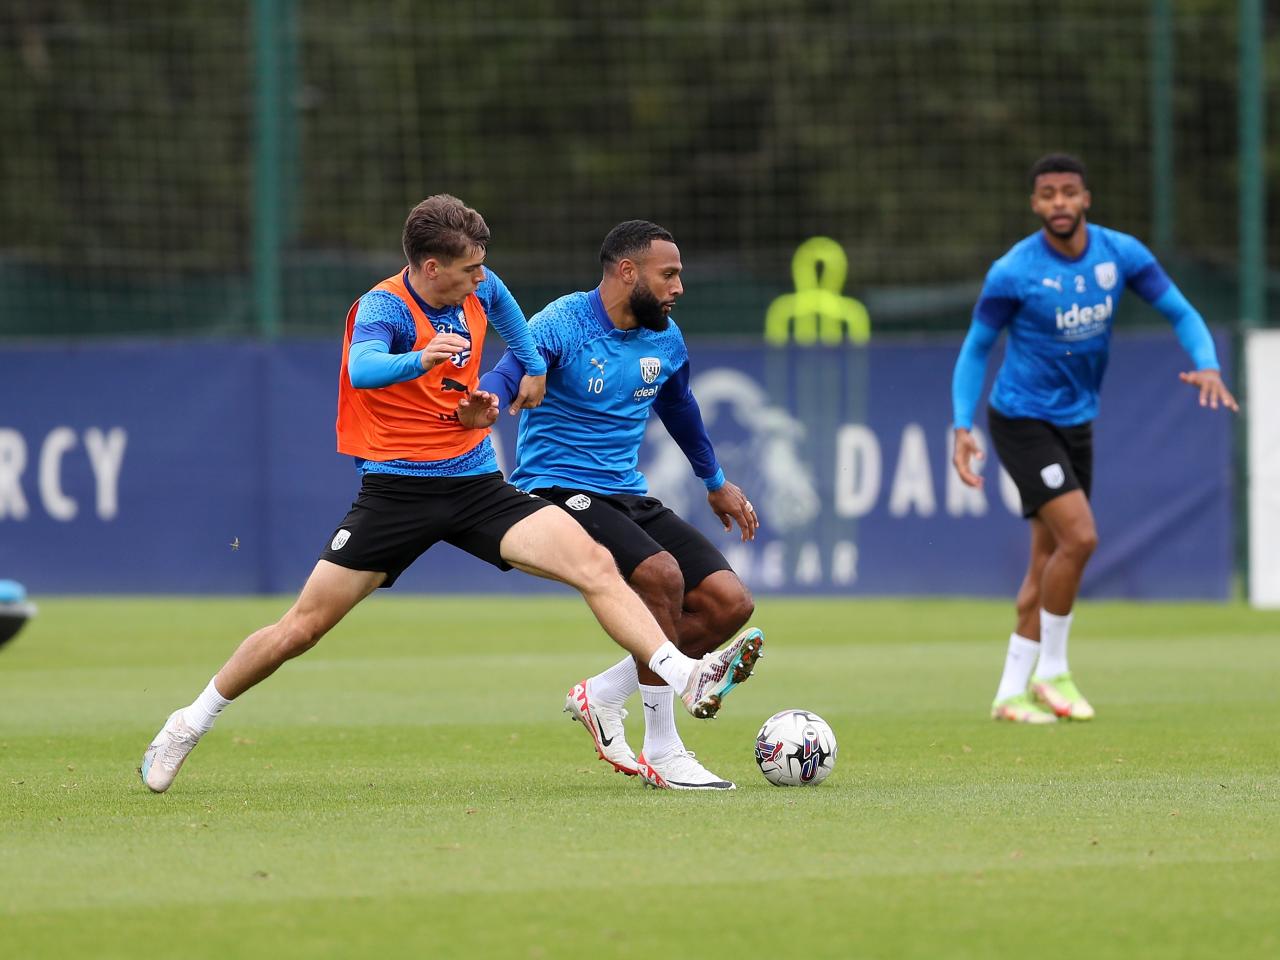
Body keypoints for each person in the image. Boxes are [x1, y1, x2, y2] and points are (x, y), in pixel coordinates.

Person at [139, 196, 763, 793]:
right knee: (300, 629)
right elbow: (362, 370)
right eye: (470, 269)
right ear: (431, 267)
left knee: (598, 565)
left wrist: (528, 369)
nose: (481, 279)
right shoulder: (383, 308)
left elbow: (513, 316)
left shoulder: (484, 287)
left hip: (475, 486)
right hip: (396, 493)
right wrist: (424, 358)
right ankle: (189, 722)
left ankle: (680, 675)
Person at [950, 153, 1237, 724]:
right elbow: (977, 348)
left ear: (1086, 199)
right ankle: (1052, 672)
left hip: (1077, 421)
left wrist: (1206, 361)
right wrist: (962, 424)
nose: (1059, 203)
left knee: (1047, 559)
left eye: (1069, 192)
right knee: (1079, 539)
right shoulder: (1014, 271)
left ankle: (1010, 693)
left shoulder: (1120, 254)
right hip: (1022, 420)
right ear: (1035, 204)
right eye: (1048, 194)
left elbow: (1180, 311)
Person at [476, 220, 762, 790]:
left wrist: (715, 481)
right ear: (627, 272)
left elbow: (680, 408)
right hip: (555, 489)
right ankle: (664, 748)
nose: (679, 287)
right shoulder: (564, 322)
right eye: (669, 274)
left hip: (626, 492)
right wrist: (486, 400)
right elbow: (508, 373)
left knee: (730, 604)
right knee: (660, 576)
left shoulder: (666, 337)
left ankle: (604, 694)